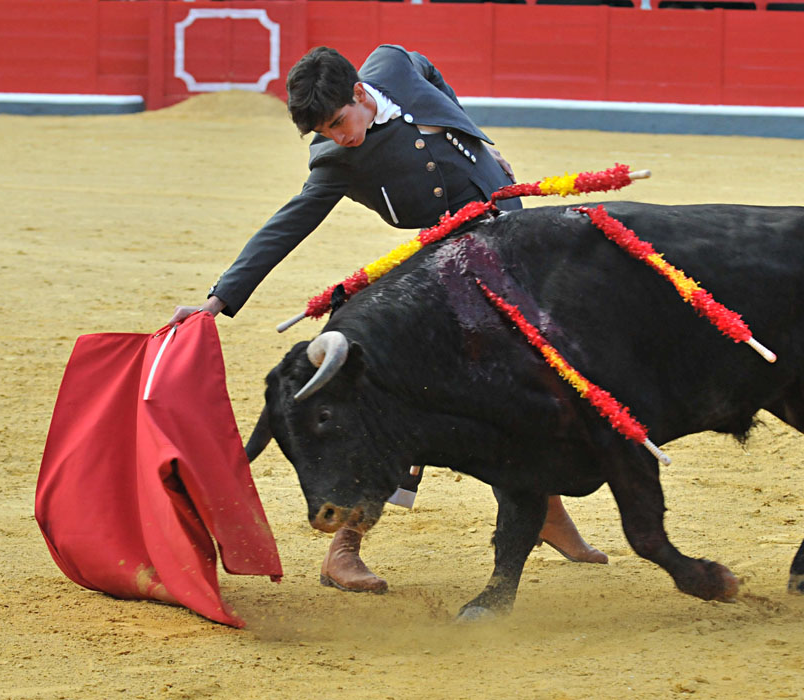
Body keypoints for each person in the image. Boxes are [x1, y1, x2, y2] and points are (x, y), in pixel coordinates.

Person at [170, 44, 607, 594]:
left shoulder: (392, 64)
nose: (338, 137)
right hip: (450, 274)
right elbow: (287, 225)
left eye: (338, 123)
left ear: (359, 93)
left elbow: (432, 74)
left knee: (536, 377)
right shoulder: (336, 162)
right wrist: (219, 300)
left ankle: (545, 511)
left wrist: (477, 142)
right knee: (415, 393)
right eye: (323, 133)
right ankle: (344, 548)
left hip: (513, 240)